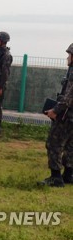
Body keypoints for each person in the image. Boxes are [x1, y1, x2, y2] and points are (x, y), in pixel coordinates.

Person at [39, 43, 73, 187]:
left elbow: (68, 97)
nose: (67, 57)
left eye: (69, 54)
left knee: (54, 144)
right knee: (71, 145)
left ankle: (56, 177)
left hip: (67, 115)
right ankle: (69, 174)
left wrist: (55, 111)